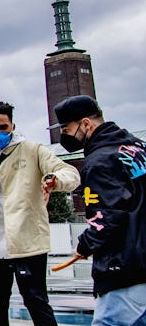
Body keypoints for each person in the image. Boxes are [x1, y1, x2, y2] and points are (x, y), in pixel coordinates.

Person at [0, 101, 80, 326]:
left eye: (4, 127)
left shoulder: (32, 150)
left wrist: (56, 180)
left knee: (37, 303)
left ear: (13, 125)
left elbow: (70, 173)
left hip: (28, 245)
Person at [51, 95, 146, 325]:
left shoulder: (100, 161)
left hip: (125, 268)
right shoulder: (136, 149)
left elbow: (106, 216)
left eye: (66, 128)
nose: (63, 135)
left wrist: (86, 243)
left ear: (86, 124)